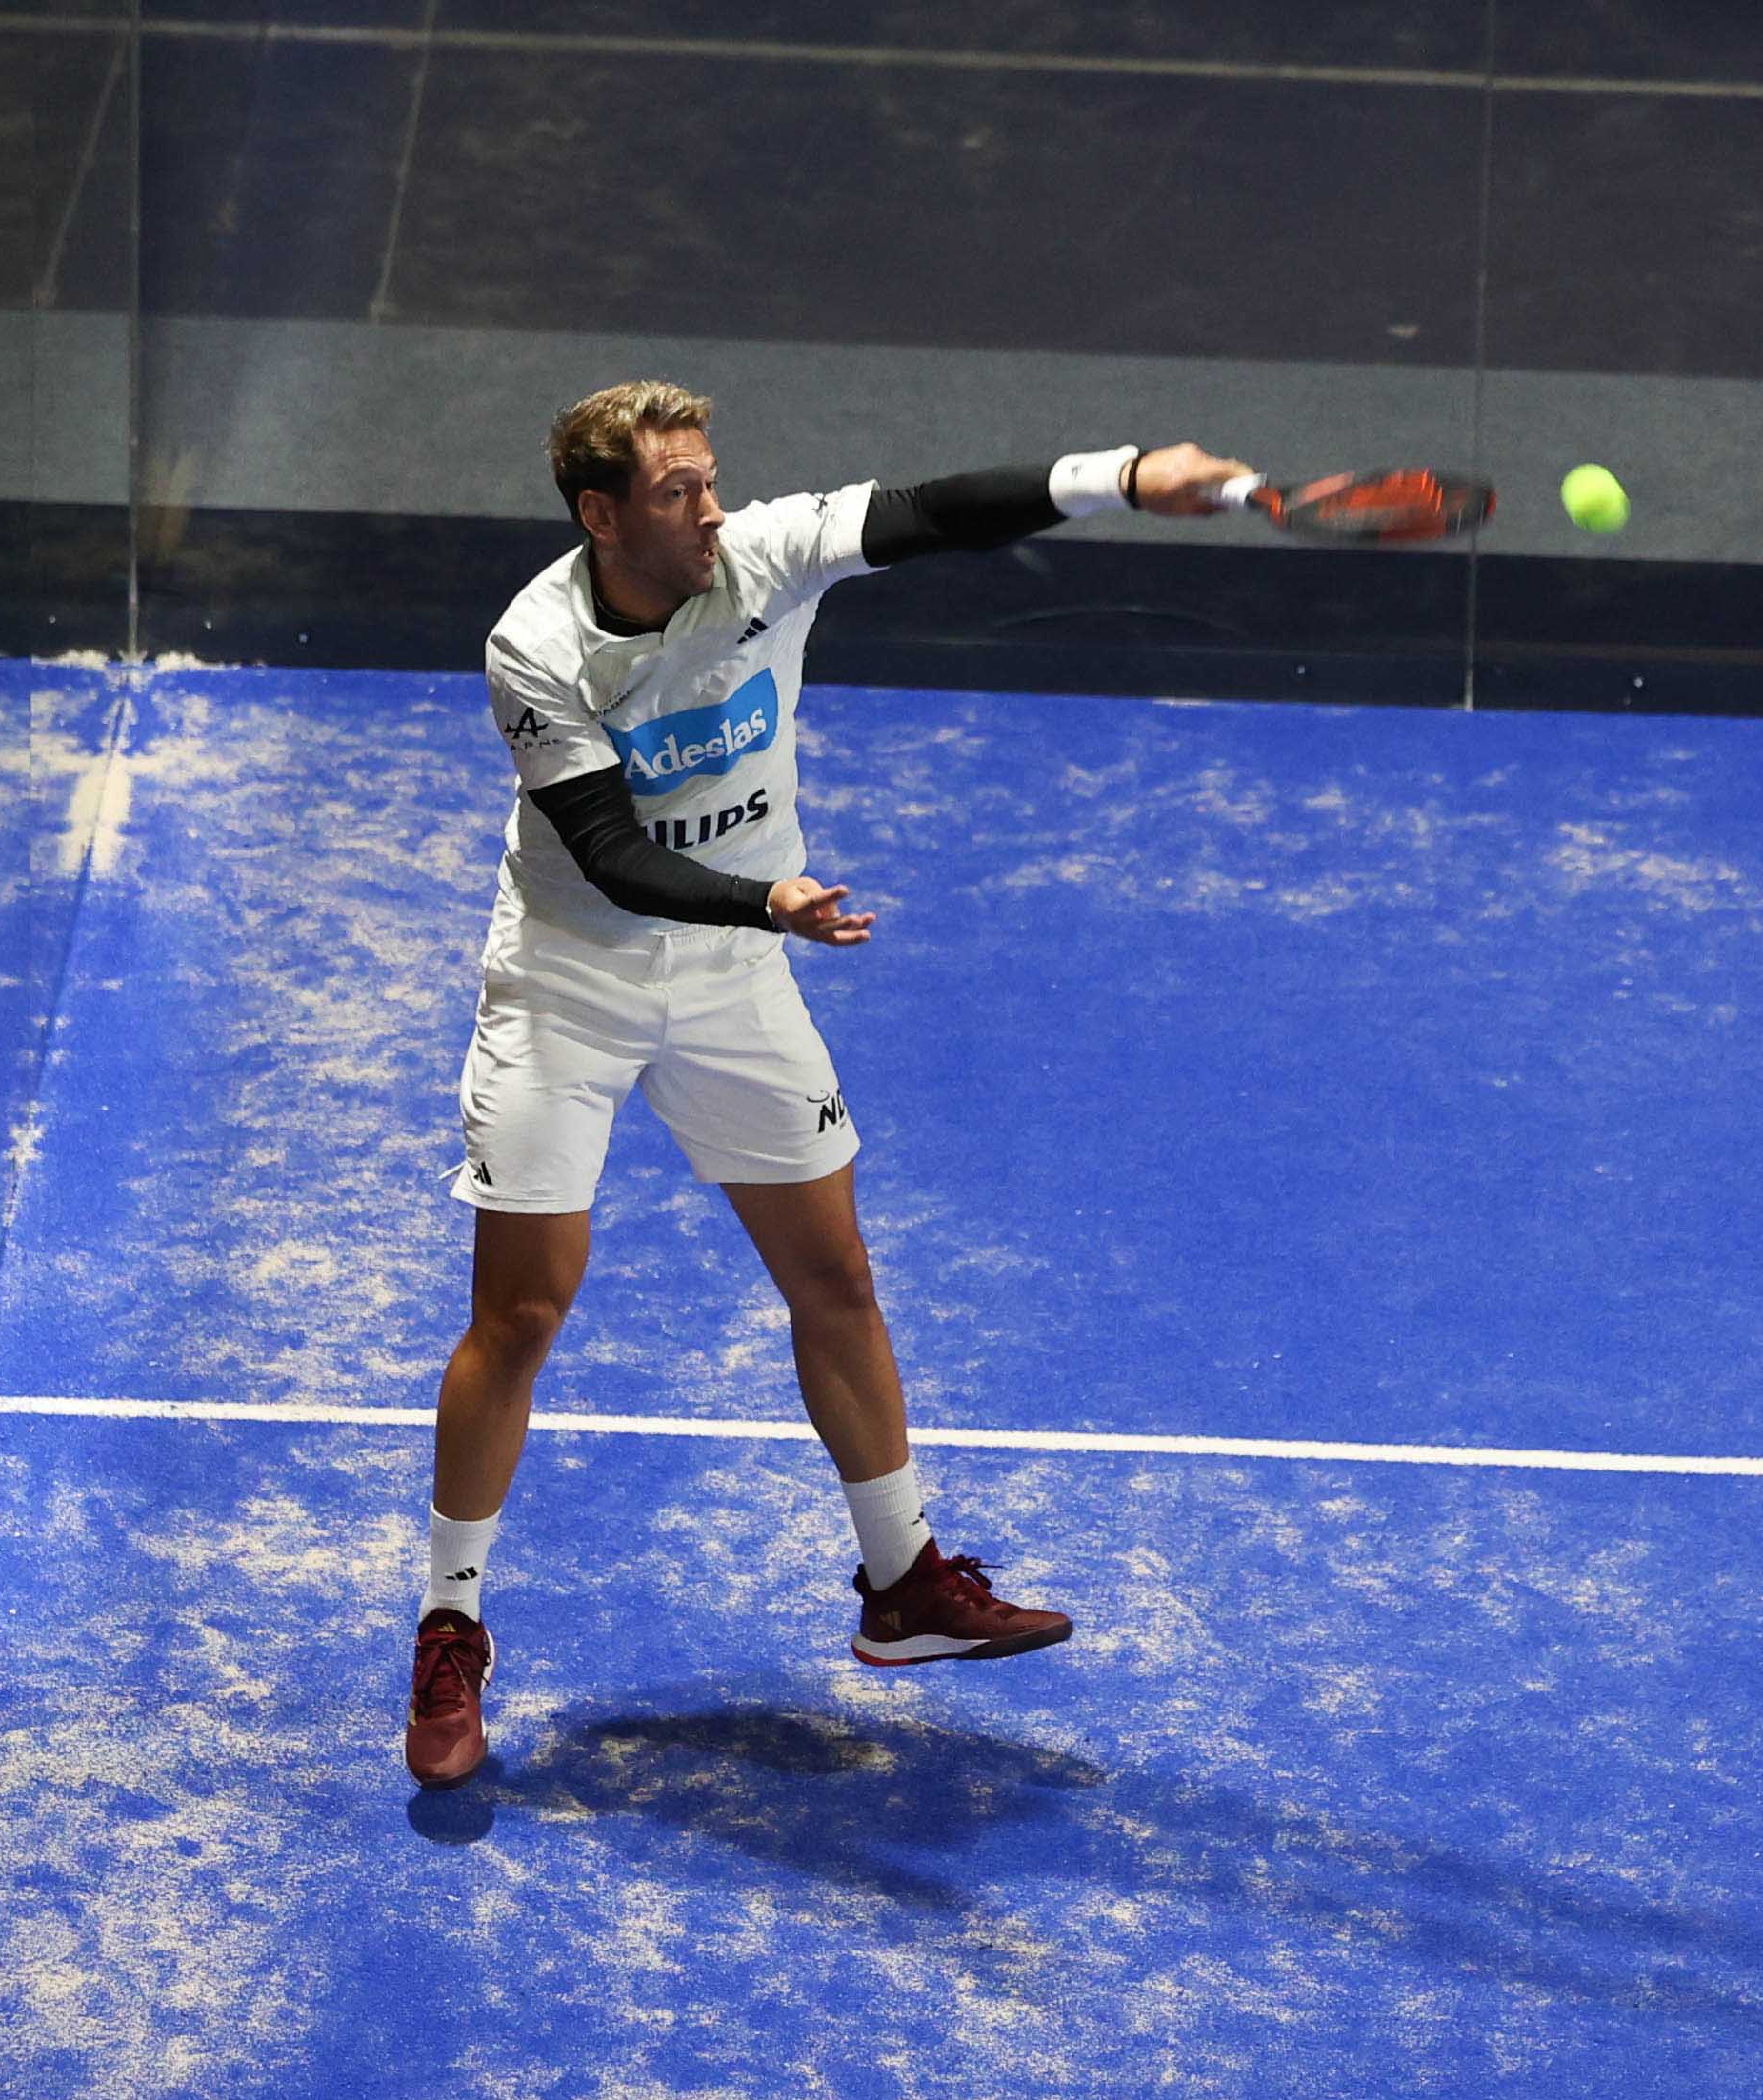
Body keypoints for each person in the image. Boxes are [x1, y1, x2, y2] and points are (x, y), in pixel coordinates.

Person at [406, 380, 1253, 1790]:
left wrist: (1124, 472)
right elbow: (609, 854)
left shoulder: (765, 555)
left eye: (710, 478)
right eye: (677, 491)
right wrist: (769, 900)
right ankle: (450, 1624)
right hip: (572, 981)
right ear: (601, 515)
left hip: (735, 979)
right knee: (523, 1310)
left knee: (836, 1278)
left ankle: (902, 1583)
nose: (711, 509)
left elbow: (932, 513)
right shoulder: (535, 645)